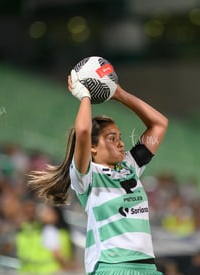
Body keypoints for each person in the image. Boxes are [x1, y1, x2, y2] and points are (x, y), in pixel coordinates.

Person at [28, 68, 168, 275]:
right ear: (92, 147)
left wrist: (119, 94)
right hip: (112, 268)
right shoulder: (86, 176)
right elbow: (83, 131)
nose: (121, 143)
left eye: (120, 137)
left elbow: (159, 124)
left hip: (147, 267)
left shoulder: (130, 166)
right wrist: (84, 95)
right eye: (112, 138)